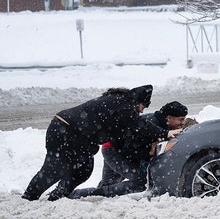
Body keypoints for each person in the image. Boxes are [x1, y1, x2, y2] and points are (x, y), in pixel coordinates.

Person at [21, 85, 177, 201]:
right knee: (53, 169)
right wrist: (165, 133)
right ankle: (28, 198)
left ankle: (57, 196)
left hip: (76, 136)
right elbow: (138, 124)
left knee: (83, 170)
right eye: (143, 106)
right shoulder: (123, 103)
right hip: (64, 130)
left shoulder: (121, 103)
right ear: (137, 101)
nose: (142, 111)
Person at [70, 101, 188, 198]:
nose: (182, 123)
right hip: (113, 150)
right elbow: (131, 148)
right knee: (140, 182)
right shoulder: (153, 124)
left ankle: (75, 195)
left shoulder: (161, 123)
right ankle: (76, 194)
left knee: (107, 187)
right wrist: (149, 152)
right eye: (181, 119)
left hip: (114, 148)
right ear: (169, 117)